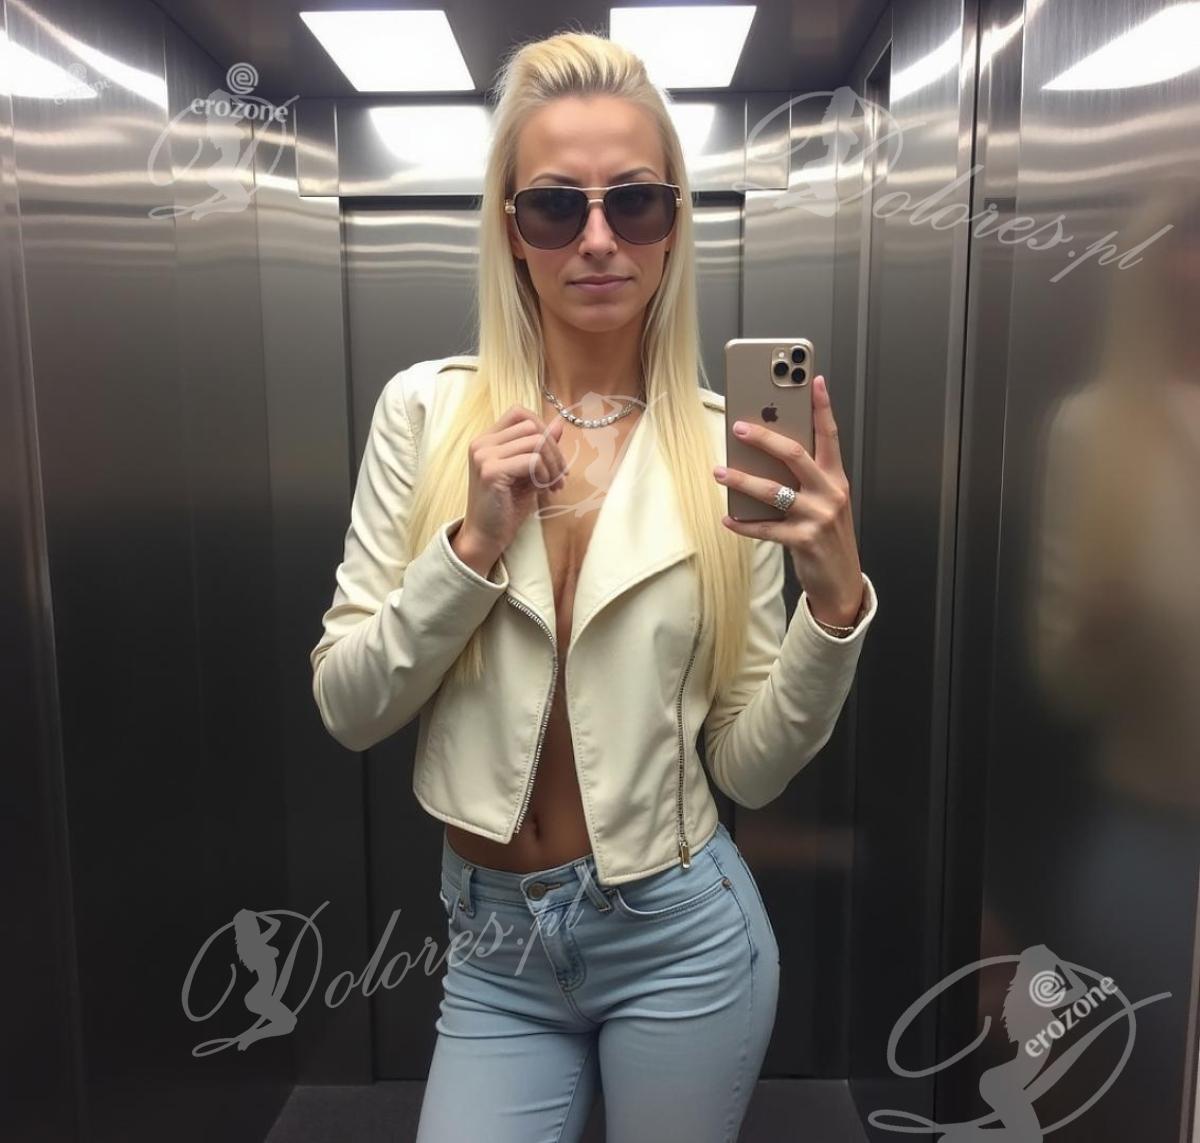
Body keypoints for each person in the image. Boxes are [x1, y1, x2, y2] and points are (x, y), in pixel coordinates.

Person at [309, 30, 879, 1142]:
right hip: (492, 946)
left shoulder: (724, 449)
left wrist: (835, 607)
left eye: (638, 201)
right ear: (510, 231)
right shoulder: (426, 414)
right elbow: (349, 705)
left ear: (675, 225)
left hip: (680, 933)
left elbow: (748, 769)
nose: (601, 238)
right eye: (556, 207)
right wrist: (471, 545)